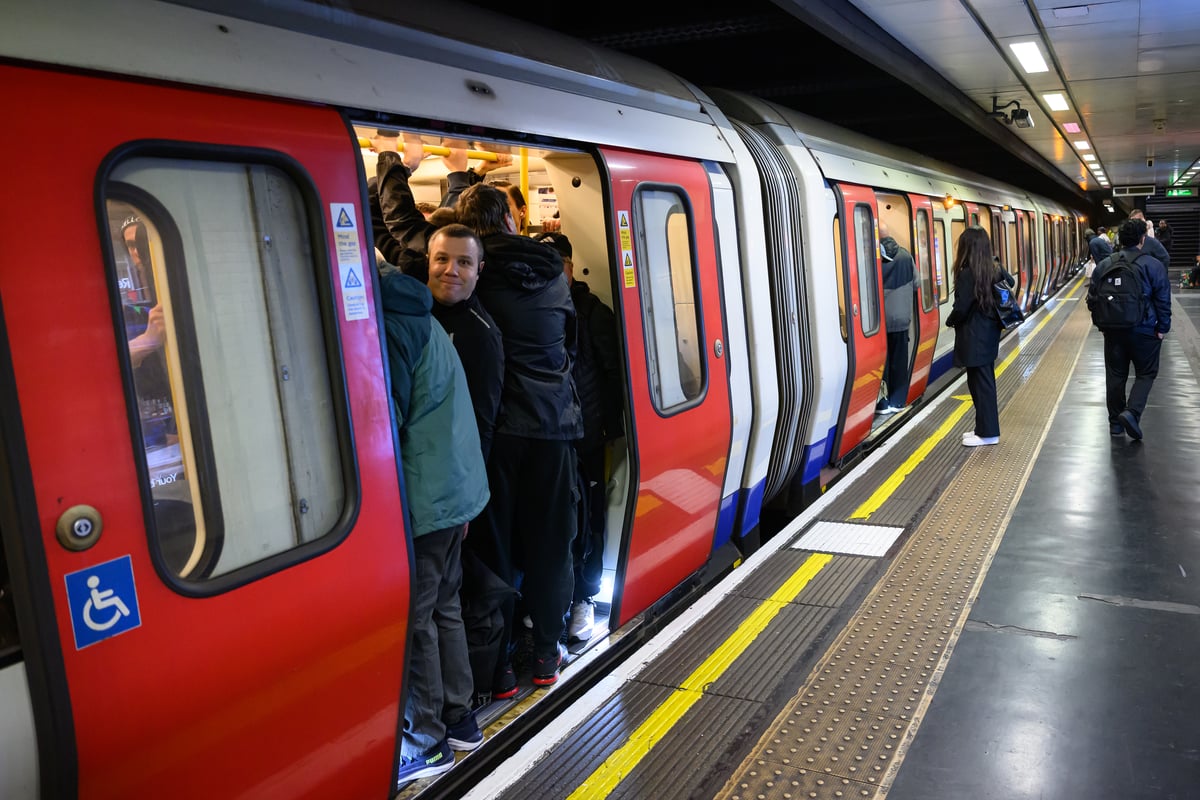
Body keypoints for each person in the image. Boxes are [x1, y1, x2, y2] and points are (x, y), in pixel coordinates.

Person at [455, 183, 583, 695]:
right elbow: (568, 344)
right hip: (553, 427)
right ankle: (548, 653)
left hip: (499, 431)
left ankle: (502, 665)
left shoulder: (474, 276)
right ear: (510, 220)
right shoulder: (553, 273)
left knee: (498, 547)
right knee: (552, 544)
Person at [379, 266, 491, 784]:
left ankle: (424, 744)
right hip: (453, 489)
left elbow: (387, 419)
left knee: (416, 617)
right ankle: (460, 719)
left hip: (426, 499)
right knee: (445, 606)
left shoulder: (393, 324)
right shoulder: (421, 316)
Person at [535, 231, 624, 642]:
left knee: (590, 520)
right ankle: (551, 601)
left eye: (560, 265)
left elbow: (614, 375)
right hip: (552, 438)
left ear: (572, 268)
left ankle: (584, 598)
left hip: (587, 436)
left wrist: (609, 429)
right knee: (555, 522)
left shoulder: (593, 313)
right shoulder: (534, 309)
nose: (554, 273)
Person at [1090, 218, 1171, 440]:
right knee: (1146, 373)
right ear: (1142, 240)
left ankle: (1115, 425)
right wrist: (1163, 327)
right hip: (1146, 330)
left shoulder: (1105, 265)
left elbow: (1092, 299)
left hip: (1113, 331)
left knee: (1115, 375)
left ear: (1120, 240)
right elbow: (1163, 300)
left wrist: (1103, 325)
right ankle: (1132, 413)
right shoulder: (1153, 265)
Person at [945, 226, 1012, 447]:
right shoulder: (992, 268)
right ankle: (982, 428)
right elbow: (1010, 283)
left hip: (974, 336)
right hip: (988, 334)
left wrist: (950, 320)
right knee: (982, 382)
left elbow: (961, 307)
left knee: (980, 385)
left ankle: (989, 433)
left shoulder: (968, 273)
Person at [877, 235, 916, 415]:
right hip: (901, 320)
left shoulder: (874, 258)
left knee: (882, 363)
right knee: (899, 361)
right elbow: (916, 283)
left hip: (880, 322)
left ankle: (883, 404)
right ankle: (898, 402)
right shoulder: (907, 256)